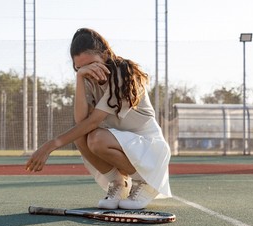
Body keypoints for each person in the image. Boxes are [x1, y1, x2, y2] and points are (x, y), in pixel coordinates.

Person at [26, 28, 171, 210]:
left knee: (96, 138)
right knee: (82, 136)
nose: (90, 70)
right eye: (80, 67)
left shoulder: (124, 74)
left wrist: (51, 145)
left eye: (92, 63)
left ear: (104, 55)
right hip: (121, 143)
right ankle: (119, 183)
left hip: (149, 150)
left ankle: (145, 182)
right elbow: (81, 121)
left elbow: (93, 122)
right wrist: (79, 78)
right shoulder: (87, 78)